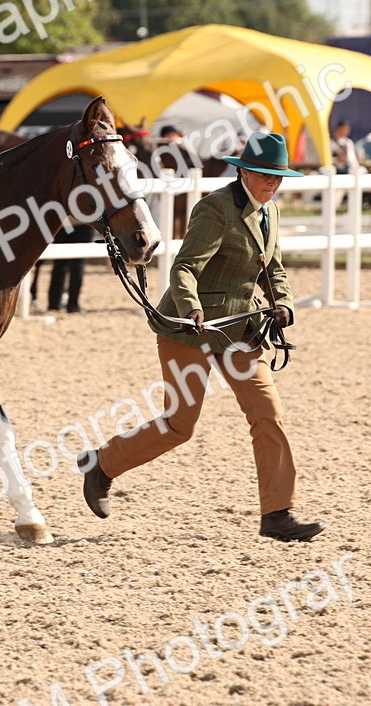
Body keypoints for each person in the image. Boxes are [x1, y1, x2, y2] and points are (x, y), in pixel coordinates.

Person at [78, 131, 325, 543]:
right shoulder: (215, 209)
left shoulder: (271, 212)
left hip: (241, 330)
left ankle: (278, 514)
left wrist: (284, 303)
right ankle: (101, 465)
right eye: (264, 175)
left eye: (278, 176)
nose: (272, 183)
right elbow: (184, 268)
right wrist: (192, 306)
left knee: (268, 414)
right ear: (243, 170)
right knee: (180, 425)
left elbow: (275, 268)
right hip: (188, 330)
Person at [47, 223, 96, 314]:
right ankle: (72, 305)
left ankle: (54, 304)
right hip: (82, 222)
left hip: (63, 223)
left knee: (60, 264)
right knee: (77, 265)